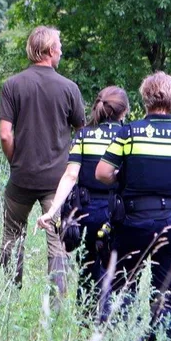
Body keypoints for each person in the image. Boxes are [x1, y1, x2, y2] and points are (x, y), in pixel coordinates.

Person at [95, 72, 171, 341]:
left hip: (132, 223)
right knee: (166, 296)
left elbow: (102, 173)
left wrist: (128, 179)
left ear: (145, 99)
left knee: (121, 288)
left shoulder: (128, 132)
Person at [0, 26, 85, 295]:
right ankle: (56, 308)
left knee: (11, 237)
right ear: (49, 51)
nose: (61, 50)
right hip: (57, 182)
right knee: (58, 243)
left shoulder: (12, 85)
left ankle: (9, 296)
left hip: (21, 178)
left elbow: (4, 135)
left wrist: (17, 162)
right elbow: (82, 134)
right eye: (59, 46)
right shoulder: (69, 88)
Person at [36, 86, 129, 321]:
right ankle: (108, 321)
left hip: (86, 212)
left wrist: (52, 211)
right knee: (115, 268)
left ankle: (85, 322)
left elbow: (70, 176)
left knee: (88, 268)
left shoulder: (84, 135)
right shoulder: (129, 134)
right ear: (124, 111)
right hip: (117, 213)